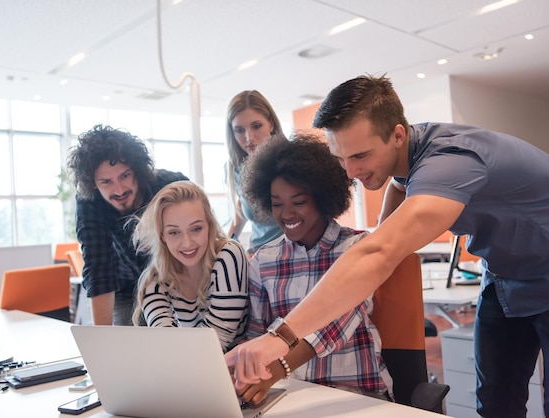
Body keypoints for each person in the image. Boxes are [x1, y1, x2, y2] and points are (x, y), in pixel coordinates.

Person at [225, 75, 549, 418]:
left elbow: (377, 254)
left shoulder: (450, 160)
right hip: (504, 279)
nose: (350, 172)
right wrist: (383, 230)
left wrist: (279, 339)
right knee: (496, 404)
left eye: (361, 156)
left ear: (396, 135)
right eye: (342, 158)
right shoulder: (410, 148)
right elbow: (397, 187)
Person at [233, 132, 392, 405]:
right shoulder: (264, 259)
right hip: (289, 394)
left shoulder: (356, 248)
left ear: (321, 197)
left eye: (298, 202)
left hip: (356, 394)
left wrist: (275, 368)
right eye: (277, 204)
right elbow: (257, 335)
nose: (287, 214)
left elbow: (333, 325)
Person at [67, 124, 187, 326]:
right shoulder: (90, 202)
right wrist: (103, 341)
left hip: (178, 282)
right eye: (106, 182)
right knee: (122, 347)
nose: (119, 189)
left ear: (137, 171)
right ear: (93, 184)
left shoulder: (170, 186)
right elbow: (99, 270)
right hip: (126, 290)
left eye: (124, 175)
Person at [132, 180, 249, 352]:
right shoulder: (154, 282)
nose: (187, 243)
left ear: (209, 226)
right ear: (162, 236)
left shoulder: (228, 255)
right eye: (174, 232)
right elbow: (166, 344)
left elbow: (216, 342)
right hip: (194, 370)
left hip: (239, 372)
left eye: (196, 229)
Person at [225, 90, 284, 254]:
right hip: (256, 255)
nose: (249, 138)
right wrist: (225, 245)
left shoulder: (292, 160)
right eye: (239, 130)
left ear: (271, 124)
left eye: (256, 126)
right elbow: (243, 208)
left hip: (295, 254)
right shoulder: (235, 168)